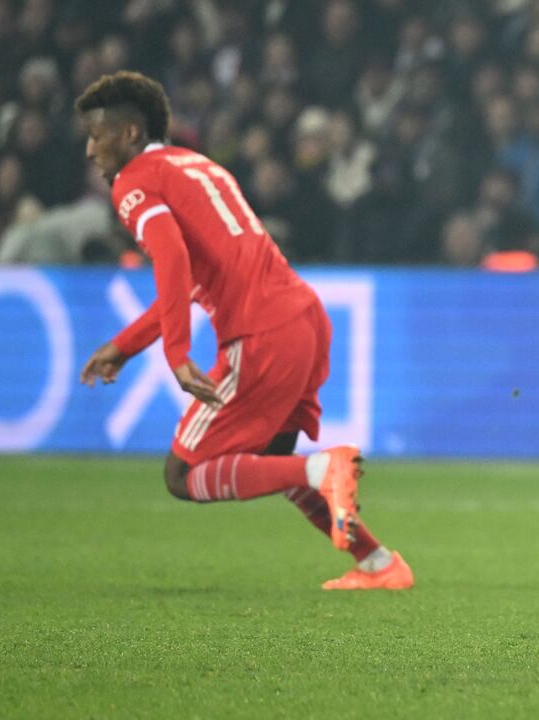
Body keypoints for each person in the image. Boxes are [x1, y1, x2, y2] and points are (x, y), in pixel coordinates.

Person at [74, 71, 412, 591]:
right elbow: (194, 276)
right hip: (305, 320)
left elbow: (172, 257)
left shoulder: (133, 182)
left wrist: (176, 352)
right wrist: (125, 345)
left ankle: (323, 471)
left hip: (260, 333)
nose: (90, 149)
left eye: (97, 135)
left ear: (130, 134)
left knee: (182, 475)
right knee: (271, 461)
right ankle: (377, 563)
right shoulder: (197, 165)